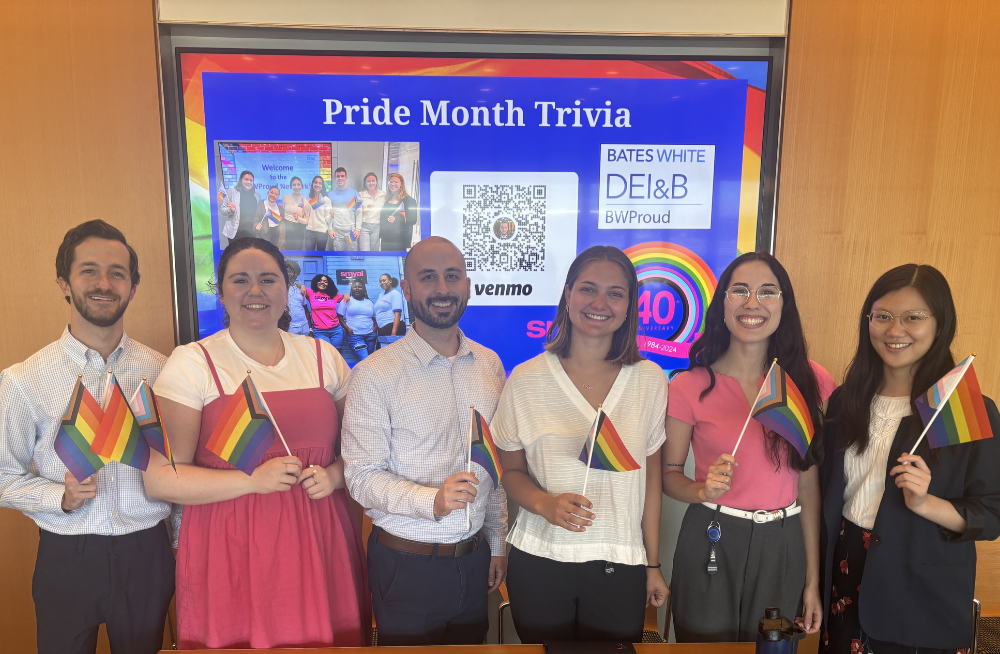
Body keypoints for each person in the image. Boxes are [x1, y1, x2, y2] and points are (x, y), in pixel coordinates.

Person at [142, 237, 369, 649]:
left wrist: (335, 475)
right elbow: (161, 479)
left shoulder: (323, 356)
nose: (255, 291)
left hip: (322, 541)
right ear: (222, 292)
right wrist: (251, 481)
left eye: (268, 279)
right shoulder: (193, 362)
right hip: (231, 545)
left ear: (287, 291)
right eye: (240, 280)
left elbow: (360, 452)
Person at [0, 220, 175, 654]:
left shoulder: (166, 372)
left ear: (133, 287)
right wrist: (59, 497)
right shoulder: (22, 380)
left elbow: (179, 468)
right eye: (88, 271)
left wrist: (180, 542)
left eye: (118, 273)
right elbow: (4, 477)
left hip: (147, 555)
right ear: (64, 283)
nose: (104, 283)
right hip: (66, 558)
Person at [818, 264, 1000, 653]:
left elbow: (993, 514)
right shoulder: (845, 401)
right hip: (844, 577)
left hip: (920, 593)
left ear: (940, 323)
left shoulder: (963, 410)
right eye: (882, 316)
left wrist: (927, 503)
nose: (894, 330)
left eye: (913, 318)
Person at [492, 245, 669, 644]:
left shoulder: (650, 380)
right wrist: (545, 504)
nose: (600, 303)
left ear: (629, 307)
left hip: (620, 562)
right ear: (567, 296)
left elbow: (651, 483)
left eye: (615, 293)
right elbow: (511, 472)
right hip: (540, 560)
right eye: (588, 289)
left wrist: (652, 564)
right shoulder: (525, 378)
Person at [342, 236, 508, 646]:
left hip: (475, 563)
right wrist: (430, 500)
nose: (442, 289)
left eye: (452, 277)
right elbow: (361, 477)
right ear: (408, 288)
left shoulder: (490, 365)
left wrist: (497, 542)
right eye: (428, 278)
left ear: (466, 286)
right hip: (405, 566)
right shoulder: (374, 374)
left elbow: (494, 465)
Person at [662, 252, 836, 642]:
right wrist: (701, 489)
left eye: (767, 292)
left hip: (784, 541)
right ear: (721, 302)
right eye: (739, 290)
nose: (752, 302)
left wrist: (812, 580)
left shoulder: (809, 381)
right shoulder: (689, 385)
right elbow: (669, 476)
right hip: (712, 535)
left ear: (783, 305)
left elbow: (808, 487)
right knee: (703, 646)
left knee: (771, 649)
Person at [302, 274, 345, 351]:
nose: (322, 282)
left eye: (325, 281)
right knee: (325, 354)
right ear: (316, 282)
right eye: (320, 280)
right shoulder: (311, 293)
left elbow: (344, 297)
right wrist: (302, 286)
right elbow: (298, 286)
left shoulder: (334, 295)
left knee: (337, 354)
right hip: (320, 331)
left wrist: (346, 295)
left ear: (329, 284)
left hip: (336, 330)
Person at [220, 170, 264, 242]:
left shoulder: (257, 195)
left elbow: (256, 213)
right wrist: (232, 210)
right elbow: (222, 210)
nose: (249, 182)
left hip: (251, 232)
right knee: (235, 253)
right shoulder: (231, 192)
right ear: (241, 180)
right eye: (246, 179)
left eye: (251, 180)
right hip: (235, 232)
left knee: (248, 253)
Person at [338, 279, 376, 362]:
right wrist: (347, 328)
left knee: (370, 360)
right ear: (352, 289)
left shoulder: (369, 302)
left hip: (370, 335)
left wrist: (375, 328)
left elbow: (374, 317)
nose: (357, 288)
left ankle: (367, 375)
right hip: (355, 336)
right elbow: (340, 316)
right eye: (355, 287)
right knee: (365, 360)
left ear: (364, 289)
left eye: (360, 287)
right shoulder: (346, 301)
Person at [379, 173, 418, 252]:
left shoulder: (409, 200)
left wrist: (396, 220)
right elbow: (383, 216)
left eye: (396, 182)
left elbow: (413, 219)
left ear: (401, 184)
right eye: (391, 182)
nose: (393, 184)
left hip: (400, 240)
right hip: (386, 239)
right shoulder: (386, 200)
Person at [327, 167, 363, 251]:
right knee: (338, 257)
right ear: (335, 178)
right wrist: (330, 229)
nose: (340, 178)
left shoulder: (354, 193)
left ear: (346, 178)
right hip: (337, 232)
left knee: (352, 257)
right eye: (338, 176)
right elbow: (329, 214)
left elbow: (359, 213)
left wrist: (358, 229)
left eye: (342, 176)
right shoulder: (330, 195)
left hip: (351, 231)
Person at [374, 273, 406, 346]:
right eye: (380, 281)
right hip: (382, 328)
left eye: (384, 280)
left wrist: (393, 334)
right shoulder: (381, 295)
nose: (382, 283)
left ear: (390, 281)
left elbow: (398, 314)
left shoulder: (395, 294)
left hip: (392, 327)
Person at [359, 172, 386, 251]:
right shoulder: (360, 195)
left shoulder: (383, 195)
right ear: (365, 183)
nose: (371, 183)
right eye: (368, 181)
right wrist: (365, 209)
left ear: (376, 182)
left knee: (375, 251)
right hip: (364, 227)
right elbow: (353, 212)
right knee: (365, 251)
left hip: (377, 227)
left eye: (373, 181)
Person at [281, 176, 310, 250]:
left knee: (297, 252)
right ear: (291, 186)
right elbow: (282, 212)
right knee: (286, 251)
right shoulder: (285, 197)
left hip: (298, 229)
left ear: (302, 186)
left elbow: (306, 220)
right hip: (286, 228)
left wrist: (298, 218)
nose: (296, 187)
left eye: (298, 184)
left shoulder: (305, 202)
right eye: (294, 185)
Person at [304, 175, 332, 251]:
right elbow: (306, 215)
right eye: (316, 182)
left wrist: (332, 216)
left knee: (320, 256)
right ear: (313, 184)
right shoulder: (308, 198)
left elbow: (328, 220)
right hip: (310, 231)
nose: (317, 185)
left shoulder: (326, 199)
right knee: (309, 256)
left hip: (322, 232)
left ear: (322, 186)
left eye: (320, 183)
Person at [286, 260, 311, 336]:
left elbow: (306, 310)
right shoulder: (278, 289)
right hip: (289, 329)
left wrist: (310, 329)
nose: (291, 274)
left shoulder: (300, 289)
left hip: (304, 327)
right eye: (288, 271)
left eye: (294, 272)